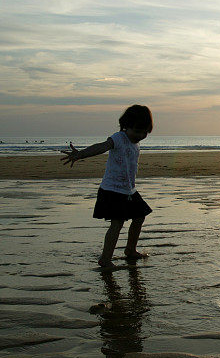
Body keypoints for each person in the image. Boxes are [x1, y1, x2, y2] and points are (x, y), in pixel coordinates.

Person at [61, 104, 153, 268]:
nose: (140, 136)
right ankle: (105, 259)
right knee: (117, 223)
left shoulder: (135, 142)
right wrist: (80, 154)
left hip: (129, 190)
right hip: (112, 191)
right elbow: (102, 147)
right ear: (126, 126)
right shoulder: (118, 138)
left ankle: (130, 250)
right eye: (137, 131)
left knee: (140, 216)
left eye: (145, 132)